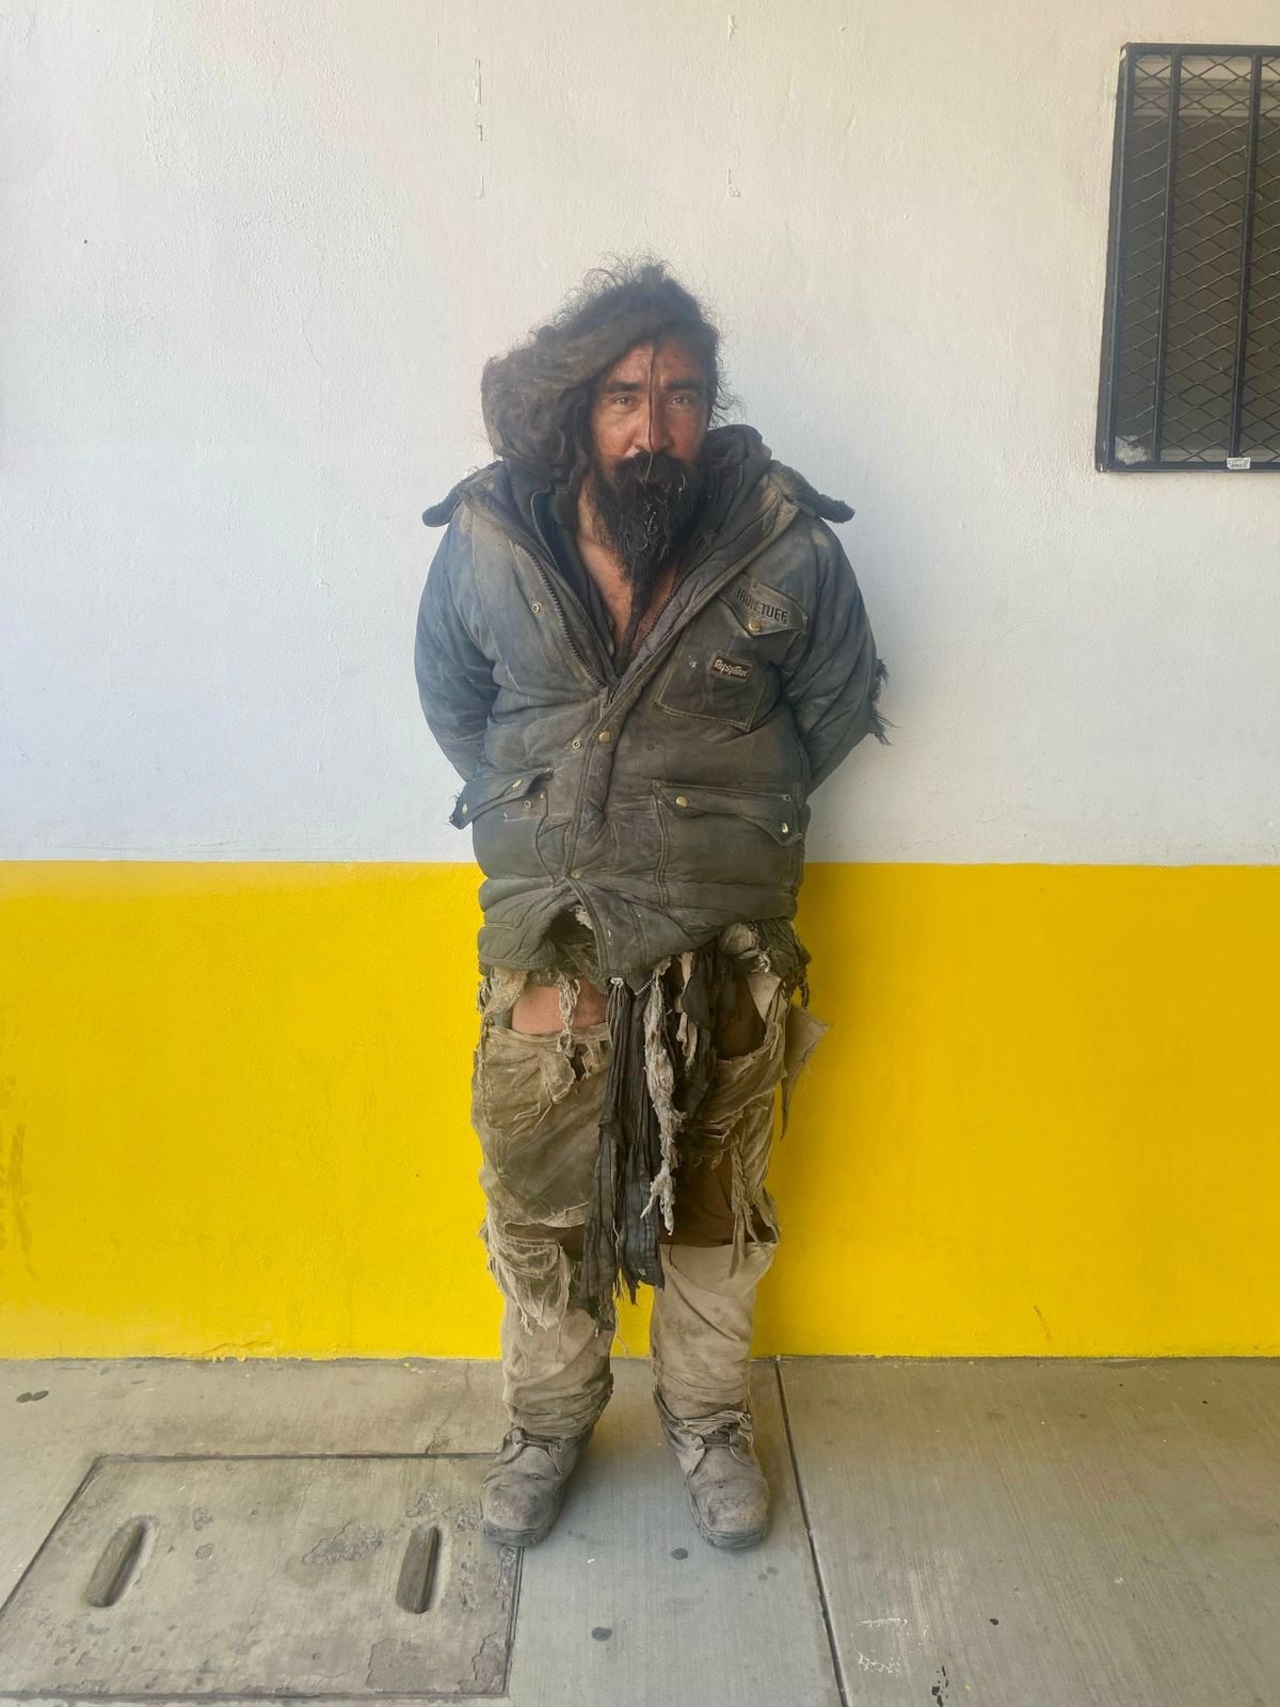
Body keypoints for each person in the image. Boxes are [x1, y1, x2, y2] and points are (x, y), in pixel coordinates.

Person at [414, 261, 887, 1552]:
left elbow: (833, 710)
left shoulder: (785, 542)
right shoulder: (491, 539)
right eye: (625, 395)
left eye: (680, 395)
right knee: (539, 1199)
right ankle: (547, 1424)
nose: (653, 427)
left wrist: (709, 821)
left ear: (707, 405)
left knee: (715, 1202)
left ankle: (708, 1420)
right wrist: (558, 820)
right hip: (549, 939)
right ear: (583, 406)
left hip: (722, 940)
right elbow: (457, 704)